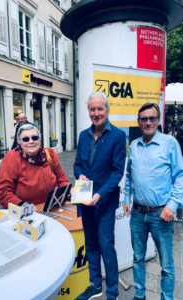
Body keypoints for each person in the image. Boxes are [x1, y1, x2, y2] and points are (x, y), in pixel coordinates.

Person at [124, 102, 183, 300]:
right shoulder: (134, 145)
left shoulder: (170, 143)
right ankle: (139, 295)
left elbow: (180, 177)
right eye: (144, 119)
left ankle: (167, 298)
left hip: (161, 214)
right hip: (138, 214)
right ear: (138, 121)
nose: (148, 122)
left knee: (166, 264)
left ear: (158, 121)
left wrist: (173, 205)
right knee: (137, 258)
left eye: (152, 118)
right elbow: (129, 175)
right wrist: (126, 198)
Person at [74, 92, 126, 300]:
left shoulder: (118, 135)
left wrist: (100, 195)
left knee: (106, 245)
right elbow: (78, 163)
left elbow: (117, 172)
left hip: (103, 202)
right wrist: (80, 174)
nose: (96, 113)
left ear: (107, 109)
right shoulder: (83, 135)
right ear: (88, 111)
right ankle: (95, 284)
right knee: (91, 244)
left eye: (100, 109)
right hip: (84, 199)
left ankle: (112, 291)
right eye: (92, 109)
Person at [0, 124, 70, 209]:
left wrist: (69, 193)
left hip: (53, 207)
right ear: (19, 142)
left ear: (40, 140)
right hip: (26, 213)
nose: (31, 141)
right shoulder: (12, 158)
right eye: (25, 139)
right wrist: (22, 206)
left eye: (34, 138)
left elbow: (62, 179)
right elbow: (3, 192)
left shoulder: (50, 154)